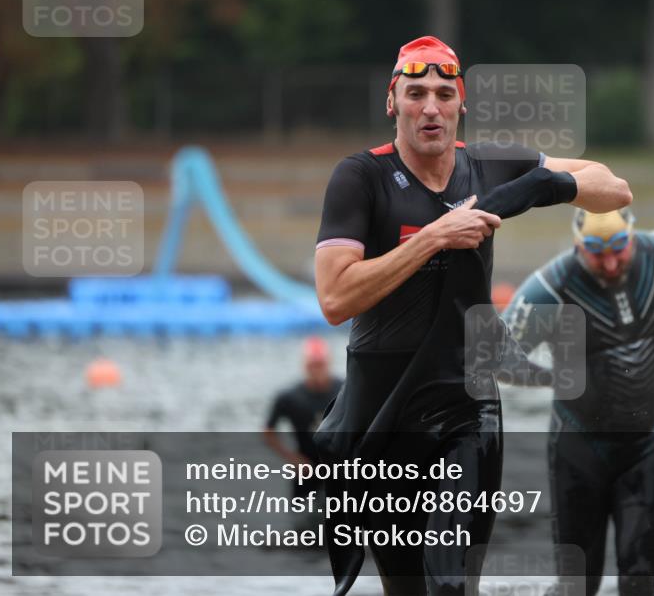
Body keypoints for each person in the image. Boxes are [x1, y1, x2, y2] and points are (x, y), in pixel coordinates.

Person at [312, 35, 632, 596]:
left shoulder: (489, 166)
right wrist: (434, 238)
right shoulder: (360, 178)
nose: (429, 108)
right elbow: (335, 299)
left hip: (467, 405)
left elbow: (614, 188)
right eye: (415, 94)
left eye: (442, 94)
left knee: (452, 585)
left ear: (461, 104)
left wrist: (537, 186)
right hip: (383, 410)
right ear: (393, 102)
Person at [500, 207, 654, 596]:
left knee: (639, 579)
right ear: (578, 247)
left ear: (631, 236)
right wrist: (556, 376)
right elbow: (498, 359)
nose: (610, 263)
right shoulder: (553, 285)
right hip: (579, 450)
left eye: (618, 250)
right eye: (596, 252)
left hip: (647, 448)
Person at [263, 337, 342, 501]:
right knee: (302, 521)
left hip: (338, 467)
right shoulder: (289, 397)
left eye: (320, 365)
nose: (317, 371)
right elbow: (268, 432)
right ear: (304, 366)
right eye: (312, 366)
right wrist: (292, 458)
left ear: (329, 364)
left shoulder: (343, 390)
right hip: (305, 467)